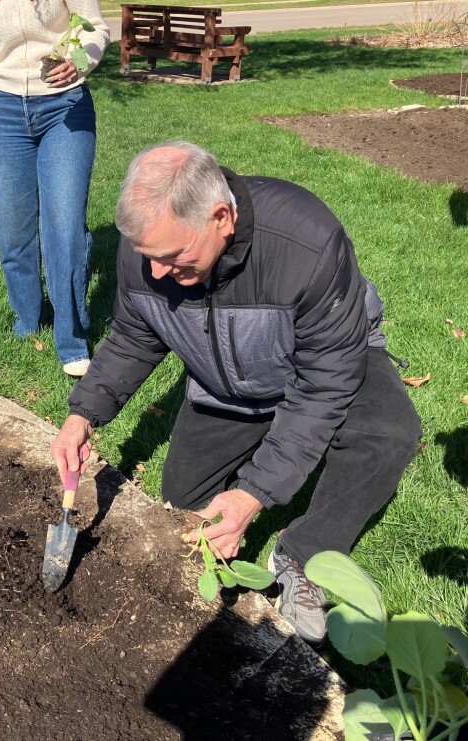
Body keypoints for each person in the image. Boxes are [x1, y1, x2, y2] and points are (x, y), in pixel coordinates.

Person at [51, 141, 422, 644]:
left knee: (387, 433)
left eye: (172, 258)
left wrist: (254, 494)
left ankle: (303, 554)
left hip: (320, 364)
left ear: (221, 217)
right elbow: (135, 336)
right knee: (184, 499)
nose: (156, 274)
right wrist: (83, 415)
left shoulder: (305, 243)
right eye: (148, 258)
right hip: (226, 381)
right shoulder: (148, 249)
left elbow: (322, 386)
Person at [0, 0, 109, 377]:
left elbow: (95, 27)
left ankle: (71, 340)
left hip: (65, 108)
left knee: (64, 226)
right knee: (14, 231)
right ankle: (28, 321)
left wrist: (80, 60)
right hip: (2, 113)